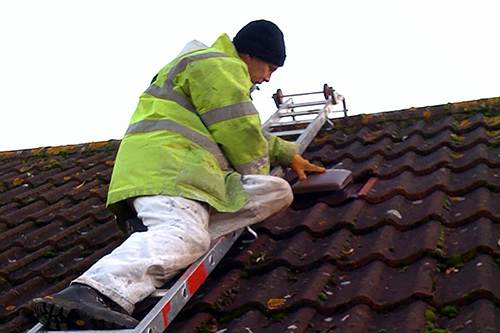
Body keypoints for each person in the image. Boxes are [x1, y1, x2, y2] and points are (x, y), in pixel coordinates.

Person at [32, 19, 325, 329]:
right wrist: (259, 169)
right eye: (270, 68)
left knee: (278, 191)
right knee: (189, 236)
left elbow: (243, 129)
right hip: (168, 173)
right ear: (251, 55)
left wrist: (290, 155)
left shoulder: (213, 69)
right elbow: (242, 135)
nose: (267, 78)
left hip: (191, 177)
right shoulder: (219, 66)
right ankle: (92, 290)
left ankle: (165, 237)